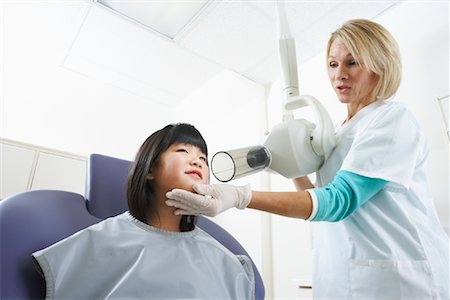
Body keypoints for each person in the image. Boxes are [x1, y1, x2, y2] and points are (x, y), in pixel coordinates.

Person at [166, 19, 449, 299]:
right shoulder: (338, 133)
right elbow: (318, 204)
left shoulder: (391, 118)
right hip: (341, 276)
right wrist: (292, 167)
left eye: (352, 62)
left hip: (399, 279)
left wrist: (240, 197)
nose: (339, 74)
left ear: (380, 65)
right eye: (333, 64)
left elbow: (339, 201)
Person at [32, 123, 255, 299]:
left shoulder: (228, 261)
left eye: (203, 158)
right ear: (150, 169)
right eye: (183, 150)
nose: (197, 161)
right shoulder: (99, 240)